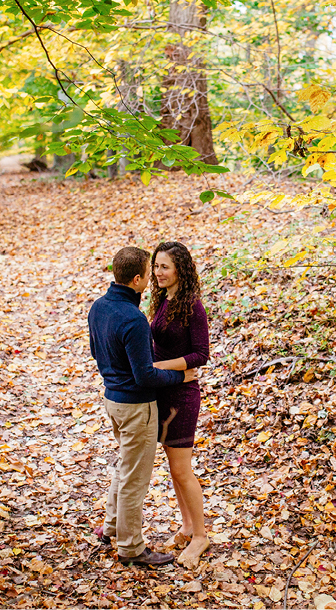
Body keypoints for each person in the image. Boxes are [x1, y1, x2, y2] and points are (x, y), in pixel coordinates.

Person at [88, 246, 196, 568]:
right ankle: (131, 548)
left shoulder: (98, 307)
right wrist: (179, 377)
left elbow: (97, 354)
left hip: (112, 401)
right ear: (136, 279)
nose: (152, 278)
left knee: (124, 466)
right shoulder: (134, 319)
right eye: (148, 274)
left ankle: (111, 527)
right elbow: (146, 376)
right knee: (135, 478)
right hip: (136, 407)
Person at [148, 241, 211, 567]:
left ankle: (200, 536)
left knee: (183, 470)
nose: (158, 272)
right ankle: (187, 526)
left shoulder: (193, 307)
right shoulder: (163, 300)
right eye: (156, 266)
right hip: (164, 393)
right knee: (174, 468)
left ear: (179, 270)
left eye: (164, 267)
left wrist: (160, 368)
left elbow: (201, 355)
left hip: (184, 396)